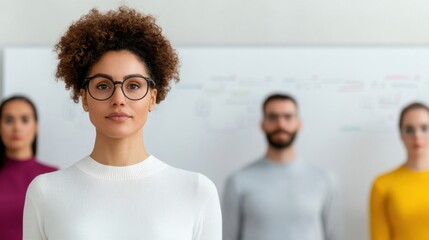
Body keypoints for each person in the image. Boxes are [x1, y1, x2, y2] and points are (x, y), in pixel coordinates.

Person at [23, 7, 221, 240]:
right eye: (103, 86)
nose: (118, 99)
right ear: (85, 98)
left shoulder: (197, 191)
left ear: (152, 98)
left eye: (133, 85)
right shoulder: (45, 192)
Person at [223, 93, 341, 240]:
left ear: (298, 123)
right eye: (273, 117)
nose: (281, 124)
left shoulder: (325, 180)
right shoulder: (238, 181)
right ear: (263, 124)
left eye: (288, 117)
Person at [0, 95, 57, 240]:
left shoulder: (52, 177)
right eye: (8, 120)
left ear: (35, 126)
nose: (17, 127)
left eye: (24, 120)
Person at [370, 102, 429, 240]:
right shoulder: (382, 184)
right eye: (409, 129)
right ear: (400, 134)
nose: (417, 136)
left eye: (424, 128)